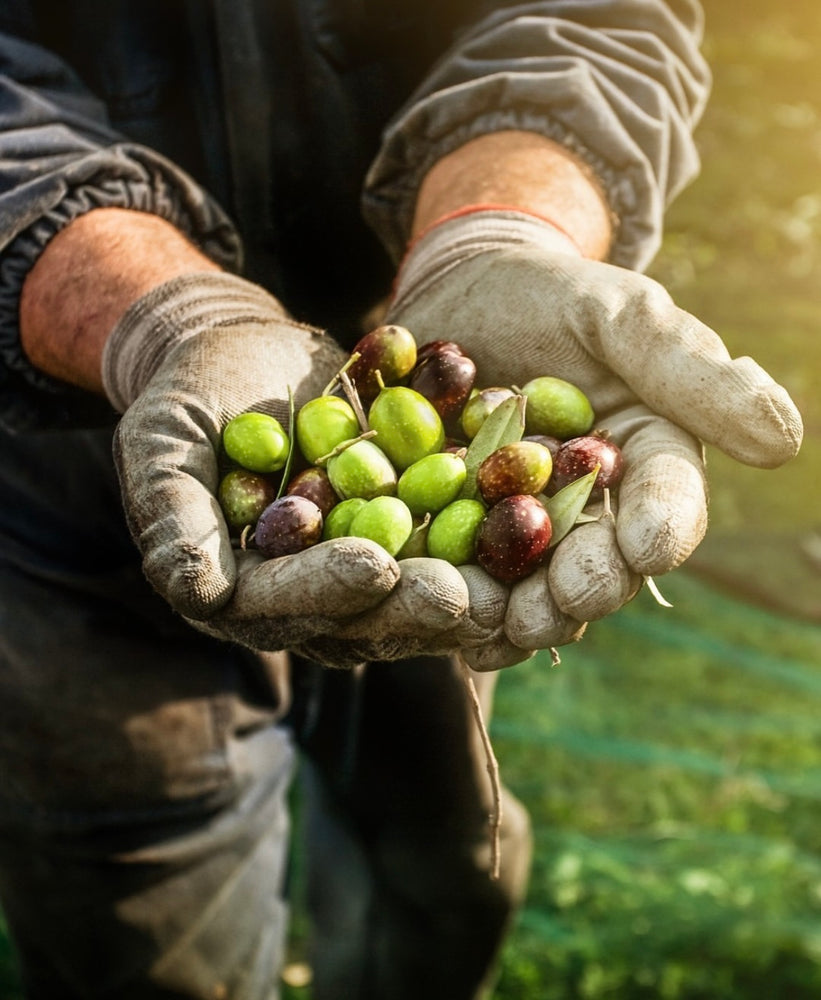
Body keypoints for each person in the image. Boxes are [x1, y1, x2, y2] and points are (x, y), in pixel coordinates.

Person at [0, 1, 803, 997]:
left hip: (410, 370)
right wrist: (162, 316)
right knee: (138, 891)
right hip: (67, 442)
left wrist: (502, 229)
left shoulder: (450, 446)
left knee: (440, 842)